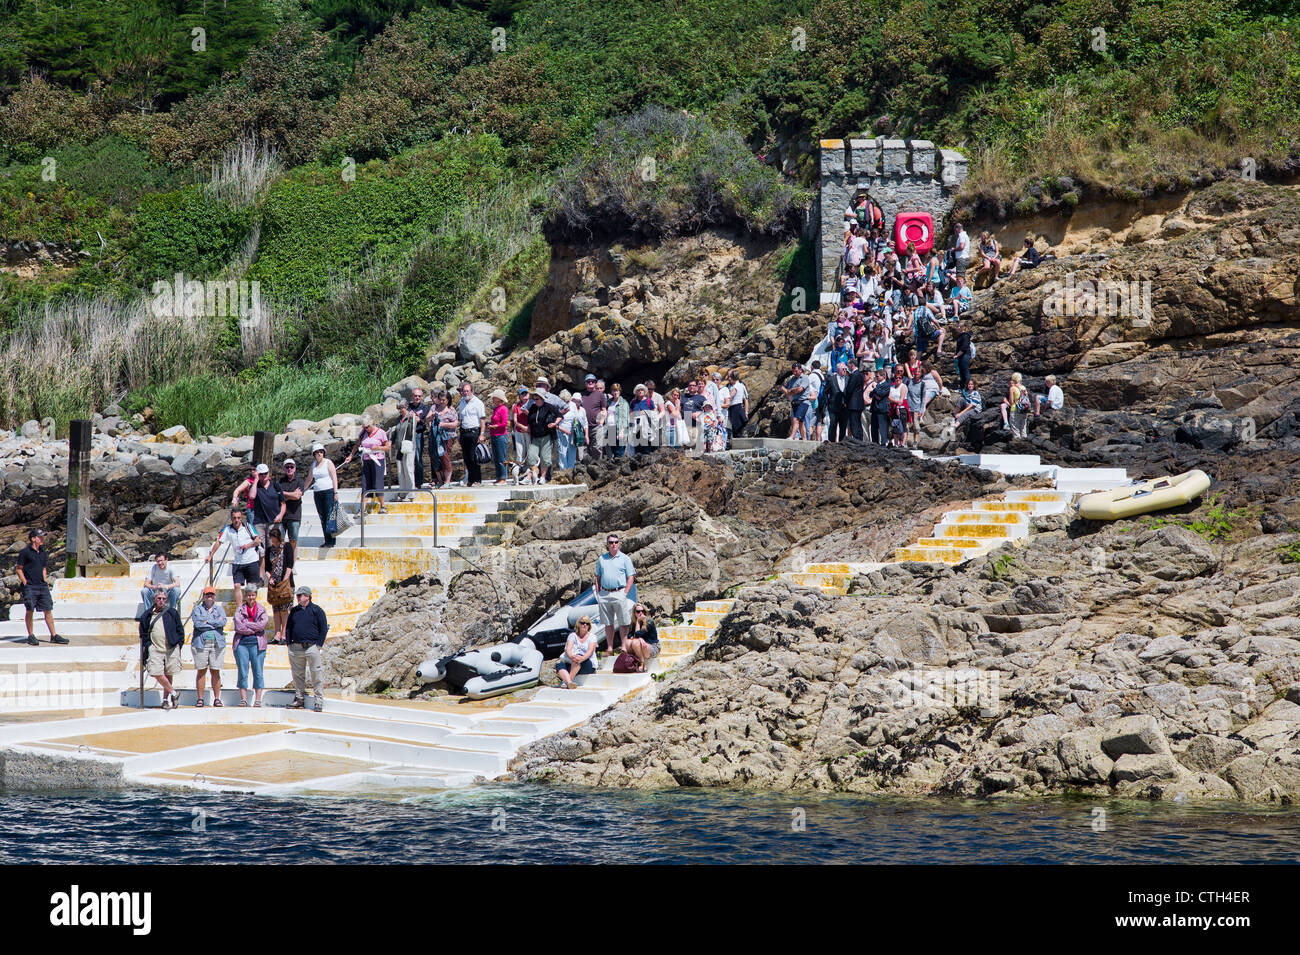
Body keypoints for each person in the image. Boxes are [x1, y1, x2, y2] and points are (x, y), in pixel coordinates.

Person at [138, 588, 184, 709]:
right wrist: (148, 646)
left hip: (171, 648)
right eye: (159, 598)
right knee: (155, 672)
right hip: (155, 648)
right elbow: (143, 633)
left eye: (163, 599)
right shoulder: (147, 615)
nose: (161, 601)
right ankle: (174, 693)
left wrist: (179, 645)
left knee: (169, 673)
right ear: (154, 599)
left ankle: (165, 700)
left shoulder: (172, 613)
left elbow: (180, 630)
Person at [17, 529, 64, 645]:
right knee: (30, 610)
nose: (42, 538)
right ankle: (31, 635)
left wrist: (45, 580)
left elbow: (43, 568)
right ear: (33, 539)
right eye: (40, 537)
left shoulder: (43, 552)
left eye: (42, 537)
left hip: (42, 586)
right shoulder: (25, 552)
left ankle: (54, 635)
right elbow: (19, 569)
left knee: (48, 609)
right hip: (30, 586)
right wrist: (25, 582)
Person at [206, 507, 260, 608]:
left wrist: (247, 545)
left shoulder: (248, 526)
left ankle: (252, 608)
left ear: (241, 518)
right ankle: (240, 609)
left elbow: (257, 540)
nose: (236, 520)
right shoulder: (227, 529)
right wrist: (211, 555)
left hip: (251, 560)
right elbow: (219, 541)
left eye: (239, 518)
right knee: (236, 585)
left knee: (251, 587)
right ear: (231, 518)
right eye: (234, 518)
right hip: (238, 562)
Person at [286, 586, 328, 712]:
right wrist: (289, 643)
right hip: (296, 647)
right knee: (298, 675)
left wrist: (318, 645)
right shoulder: (294, 611)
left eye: (300, 595)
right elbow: (288, 628)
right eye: (297, 596)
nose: (298, 597)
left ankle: (318, 701)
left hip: (311, 647)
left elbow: (323, 628)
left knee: (316, 674)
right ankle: (299, 699)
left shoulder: (317, 610)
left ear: (308, 596)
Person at [595, 533, 635, 654]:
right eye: (611, 542)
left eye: (616, 542)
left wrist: (625, 592)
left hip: (619, 592)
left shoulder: (625, 558)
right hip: (605, 594)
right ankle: (610, 648)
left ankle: (623, 647)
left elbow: (631, 577)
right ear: (607, 544)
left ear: (619, 543)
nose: (614, 544)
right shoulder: (601, 559)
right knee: (608, 623)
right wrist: (598, 594)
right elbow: (597, 577)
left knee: (623, 622)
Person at [190, 585, 226, 707]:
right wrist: (215, 623)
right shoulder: (197, 609)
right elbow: (198, 624)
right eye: (207, 594)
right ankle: (200, 698)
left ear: (214, 596)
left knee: (215, 671)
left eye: (211, 594)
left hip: (217, 643)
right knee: (201, 671)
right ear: (203, 596)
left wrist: (207, 621)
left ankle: (217, 698)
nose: (209, 596)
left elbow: (223, 622)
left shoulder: (220, 609)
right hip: (201, 643)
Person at [344, 418, 390, 513]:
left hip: (377, 460)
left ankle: (383, 505)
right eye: (364, 427)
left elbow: (388, 447)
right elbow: (357, 445)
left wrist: (378, 447)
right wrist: (351, 455)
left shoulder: (381, 432)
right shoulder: (363, 433)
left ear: (372, 424)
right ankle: (363, 508)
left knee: (377, 483)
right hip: (366, 460)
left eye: (367, 427)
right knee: (365, 484)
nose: (366, 429)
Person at [232, 587, 268, 707]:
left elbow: (262, 626)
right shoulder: (240, 609)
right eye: (248, 595)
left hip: (257, 644)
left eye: (253, 595)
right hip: (242, 644)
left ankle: (258, 700)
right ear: (245, 596)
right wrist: (253, 627)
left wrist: (247, 624)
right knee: (243, 671)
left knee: (258, 671)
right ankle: (243, 699)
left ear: (256, 595)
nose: (251, 597)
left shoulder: (261, 609)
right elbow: (238, 627)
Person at [262, 526, 295, 644]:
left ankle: (284, 635)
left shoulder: (286, 547)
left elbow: (290, 565)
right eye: (273, 541)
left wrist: (284, 581)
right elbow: (267, 568)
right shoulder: (269, 550)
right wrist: (270, 578)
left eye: (276, 541)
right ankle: (277, 634)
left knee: (285, 609)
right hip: (274, 584)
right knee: (276, 609)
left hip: (286, 583)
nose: (274, 543)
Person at [303, 443, 339, 547]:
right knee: (322, 517)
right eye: (317, 452)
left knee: (329, 516)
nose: (319, 454)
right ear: (314, 454)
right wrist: (302, 490)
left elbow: (334, 478)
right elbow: (309, 479)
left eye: (321, 452)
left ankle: (331, 541)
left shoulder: (328, 462)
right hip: (317, 493)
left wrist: (335, 492)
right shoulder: (313, 465)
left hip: (328, 492)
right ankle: (327, 540)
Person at [456, 381, 488, 486]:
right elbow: (460, 419)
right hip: (464, 431)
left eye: (467, 391)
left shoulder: (478, 403)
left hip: (475, 431)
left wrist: (482, 434)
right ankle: (470, 479)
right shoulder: (462, 402)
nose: (465, 393)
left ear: (472, 391)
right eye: (464, 391)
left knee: (474, 456)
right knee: (466, 457)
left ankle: (477, 480)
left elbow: (482, 420)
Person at [525, 389, 559, 485]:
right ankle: (529, 477)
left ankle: (543, 477)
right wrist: (528, 428)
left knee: (545, 458)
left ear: (542, 399)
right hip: (535, 437)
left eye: (537, 399)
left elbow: (560, 415)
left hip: (546, 437)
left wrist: (554, 423)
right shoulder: (532, 407)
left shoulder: (549, 407)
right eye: (534, 398)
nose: (535, 400)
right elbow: (529, 420)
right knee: (531, 456)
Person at [249, 463, 285, 548]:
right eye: (261, 474)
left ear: (268, 473)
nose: (264, 475)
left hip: (273, 522)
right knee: (261, 549)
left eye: (265, 473)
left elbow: (283, 504)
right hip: (259, 522)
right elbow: (251, 496)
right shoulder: (254, 486)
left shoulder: (276, 486)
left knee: (273, 547)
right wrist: (256, 480)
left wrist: (280, 515)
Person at [556, 616, 598, 690]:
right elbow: (568, 649)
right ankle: (569, 683)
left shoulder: (592, 637)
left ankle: (566, 682)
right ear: (578, 624)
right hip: (572, 661)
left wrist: (582, 658)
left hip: (587, 663)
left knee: (578, 658)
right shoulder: (572, 635)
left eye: (587, 623)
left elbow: (590, 651)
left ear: (589, 626)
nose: (585, 625)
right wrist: (572, 657)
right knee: (560, 665)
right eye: (582, 623)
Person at [389, 400, 418, 500]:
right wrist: (390, 441)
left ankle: (411, 492)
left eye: (401, 408)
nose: (400, 410)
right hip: (399, 447)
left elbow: (415, 425)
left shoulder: (411, 417)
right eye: (398, 408)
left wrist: (412, 417)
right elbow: (396, 432)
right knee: (400, 470)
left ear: (406, 407)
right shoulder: (398, 419)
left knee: (408, 468)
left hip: (408, 447)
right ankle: (402, 491)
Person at [275, 458, 306, 544]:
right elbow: (277, 496)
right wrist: (292, 494)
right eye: (287, 467)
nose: (289, 469)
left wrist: (283, 494)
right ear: (284, 469)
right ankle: (282, 558)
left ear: (295, 468)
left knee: (293, 541)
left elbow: (297, 496)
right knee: (280, 541)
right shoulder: (279, 482)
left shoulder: (299, 481)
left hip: (294, 516)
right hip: (282, 516)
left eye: (291, 467)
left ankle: (292, 558)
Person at [432, 390, 458, 487]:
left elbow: (455, 423)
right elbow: (428, 420)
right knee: (436, 458)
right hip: (436, 437)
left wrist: (443, 424)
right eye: (440, 399)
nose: (442, 401)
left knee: (445, 457)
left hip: (448, 437)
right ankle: (440, 481)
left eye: (444, 400)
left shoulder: (451, 410)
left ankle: (447, 481)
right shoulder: (435, 409)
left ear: (448, 400)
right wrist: (431, 418)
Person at [580, 374, 607, 461]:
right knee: (583, 448)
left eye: (592, 381)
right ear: (585, 383)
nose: (590, 382)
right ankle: (583, 468)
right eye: (588, 381)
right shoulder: (582, 395)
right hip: (584, 426)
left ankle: (597, 466)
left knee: (597, 447)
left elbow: (604, 410)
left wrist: (602, 420)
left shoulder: (600, 395)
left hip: (597, 426)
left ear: (595, 382)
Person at [626, 603, 659, 673]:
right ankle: (640, 660)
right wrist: (639, 638)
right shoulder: (633, 623)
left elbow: (637, 634)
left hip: (653, 647)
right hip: (642, 646)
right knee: (628, 643)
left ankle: (641, 662)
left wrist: (638, 622)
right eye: (638, 611)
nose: (641, 613)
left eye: (642, 611)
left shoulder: (649, 622)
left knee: (635, 642)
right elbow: (629, 635)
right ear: (634, 613)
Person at [408, 386, 430, 489]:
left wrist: (414, 417)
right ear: (412, 396)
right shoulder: (408, 407)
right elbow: (403, 417)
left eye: (419, 396)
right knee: (408, 459)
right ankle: (409, 482)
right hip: (408, 435)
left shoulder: (424, 408)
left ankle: (418, 483)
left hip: (418, 434)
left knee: (417, 458)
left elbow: (421, 420)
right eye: (415, 396)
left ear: (422, 397)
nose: (417, 398)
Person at [487, 390, 510, 483]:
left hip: (501, 436)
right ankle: (499, 477)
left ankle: (503, 478)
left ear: (498, 399)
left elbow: (504, 423)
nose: (492, 399)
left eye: (494, 397)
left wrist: (494, 426)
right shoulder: (496, 408)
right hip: (494, 435)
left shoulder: (503, 408)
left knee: (501, 457)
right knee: (496, 458)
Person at [511, 386, 532, 482]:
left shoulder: (532, 404)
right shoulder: (516, 406)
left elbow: (534, 418)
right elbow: (515, 420)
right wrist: (523, 427)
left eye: (526, 393)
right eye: (522, 394)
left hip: (529, 431)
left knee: (530, 453)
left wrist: (527, 413)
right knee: (520, 453)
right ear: (519, 396)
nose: (524, 396)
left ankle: (529, 474)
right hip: (519, 431)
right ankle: (518, 474)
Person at [783, 363, 809, 440]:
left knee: (796, 419)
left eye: (796, 371)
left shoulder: (805, 378)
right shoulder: (793, 379)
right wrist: (793, 390)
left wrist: (792, 390)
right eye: (793, 371)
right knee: (801, 422)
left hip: (803, 401)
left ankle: (792, 436)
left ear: (801, 370)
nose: (795, 373)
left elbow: (800, 389)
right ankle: (804, 439)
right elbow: (788, 391)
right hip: (795, 402)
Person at [608, 382, 631, 458]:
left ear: (620, 391)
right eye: (614, 390)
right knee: (613, 451)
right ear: (611, 392)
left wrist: (622, 431)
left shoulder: (623, 403)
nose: (616, 392)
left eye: (617, 390)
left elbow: (626, 419)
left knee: (619, 453)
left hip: (620, 430)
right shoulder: (609, 402)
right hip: (611, 429)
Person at [869, 369, 891, 446]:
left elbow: (881, 394)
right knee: (874, 428)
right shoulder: (878, 385)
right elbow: (871, 394)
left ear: (883, 376)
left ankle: (883, 444)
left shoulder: (886, 385)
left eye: (878, 376)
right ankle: (875, 443)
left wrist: (875, 389)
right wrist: (876, 392)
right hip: (874, 409)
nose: (876, 378)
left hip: (882, 410)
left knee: (882, 428)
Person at [725, 369, 749, 438]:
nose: (729, 378)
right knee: (737, 428)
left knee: (737, 427)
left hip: (735, 408)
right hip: (737, 407)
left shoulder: (736, 386)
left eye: (730, 377)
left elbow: (730, 396)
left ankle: (738, 442)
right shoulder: (740, 386)